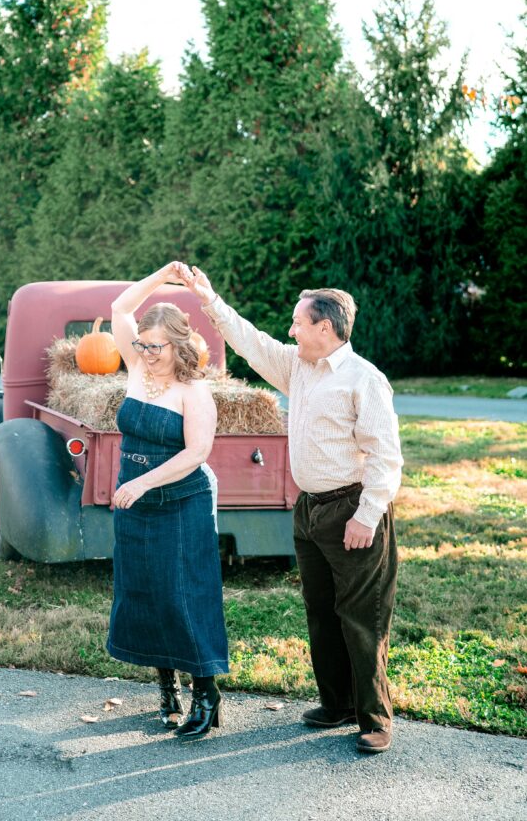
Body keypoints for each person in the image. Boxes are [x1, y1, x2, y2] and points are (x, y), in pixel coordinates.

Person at [182, 264, 402, 754]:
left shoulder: (364, 380)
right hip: (309, 511)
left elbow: (386, 457)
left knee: (362, 617)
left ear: (326, 327)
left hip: (352, 509)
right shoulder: (296, 365)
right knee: (321, 612)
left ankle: (374, 718)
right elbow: (251, 341)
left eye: (298, 323)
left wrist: (366, 516)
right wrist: (209, 298)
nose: (291, 330)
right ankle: (337, 703)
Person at [106, 262, 229, 739]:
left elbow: (197, 453)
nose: (145, 353)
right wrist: (165, 275)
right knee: (145, 595)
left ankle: (206, 692)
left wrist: (142, 483)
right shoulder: (137, 368)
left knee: (185, 595)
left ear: (178, 345)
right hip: (136, 507)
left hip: (181, 503)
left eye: (155, 347)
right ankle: (166, 690)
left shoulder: (194, 391)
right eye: (141, 344)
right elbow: (120, 307)